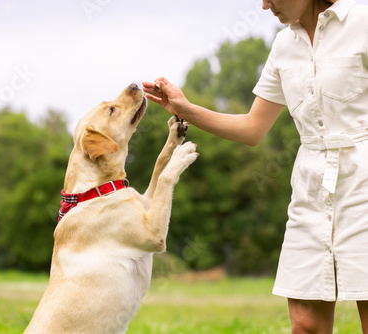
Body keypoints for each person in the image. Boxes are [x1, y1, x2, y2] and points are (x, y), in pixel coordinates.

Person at [143, 0, 368, 333]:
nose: (264, 5)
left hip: (363, 181)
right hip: (310, 188)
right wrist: (185, 109)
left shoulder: (362, 20)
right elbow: (252, 127)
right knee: (305, 325)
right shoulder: (283, 45)